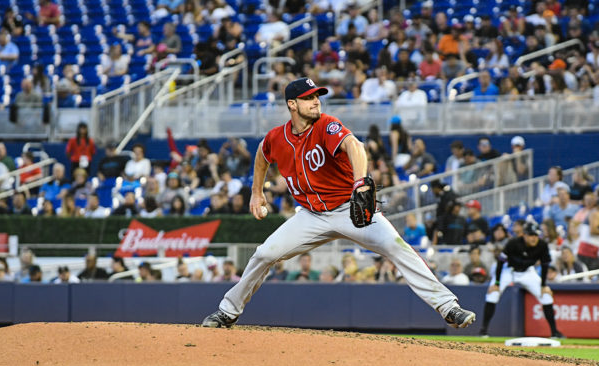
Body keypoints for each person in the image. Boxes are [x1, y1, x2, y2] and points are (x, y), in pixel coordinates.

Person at [201, 77, 475, 329]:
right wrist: (256, 192)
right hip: (310, 216)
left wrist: (360, 181)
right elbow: (262, 153)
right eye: (309, 98)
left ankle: (448, 307)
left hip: (349, 208)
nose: (316, 101)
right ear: (292, 105)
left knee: (396, 246)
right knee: (264, 254)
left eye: (317, 96)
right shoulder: (277, 137)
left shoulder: (326, 125)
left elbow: (355, 146)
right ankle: (228, 311)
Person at [479, 222, 563, 338]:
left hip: (528, 272)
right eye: (531, 235)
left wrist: (544, 285)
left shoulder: (542, 245)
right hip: (509, 270)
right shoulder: (513, 243)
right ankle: (483, 331)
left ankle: (554, 332)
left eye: (535, 235)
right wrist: (497, 283)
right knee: (492, 294)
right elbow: (500, 262)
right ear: (524, 235)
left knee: (546, 296)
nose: (534, 238)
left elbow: (544, 265)